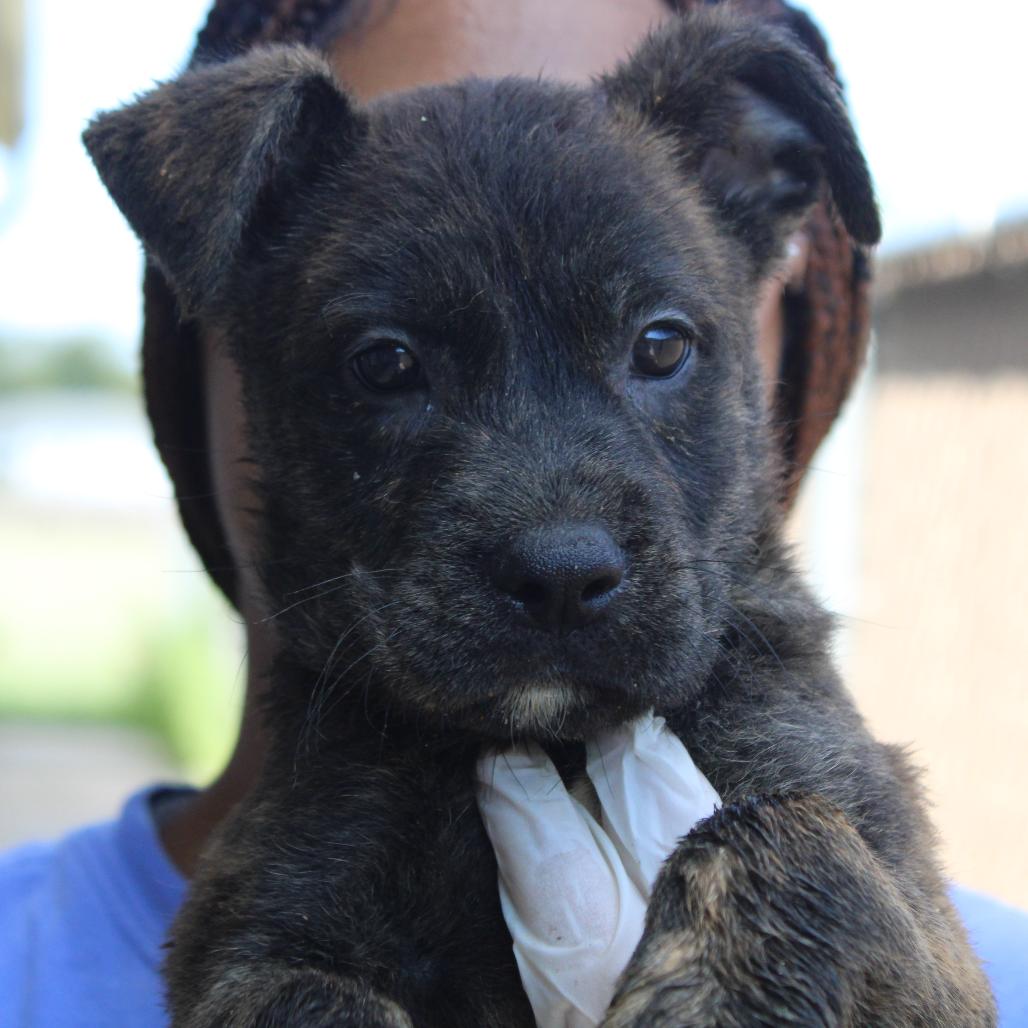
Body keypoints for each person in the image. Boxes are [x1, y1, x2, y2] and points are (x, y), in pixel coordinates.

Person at [1, 1, 1025, 1025]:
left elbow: (915, 965)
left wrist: (784, 908)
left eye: (656, 350)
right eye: (390, 367)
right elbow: (254, 971)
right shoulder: (47, 942)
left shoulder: (798, 755)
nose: (556, 536)